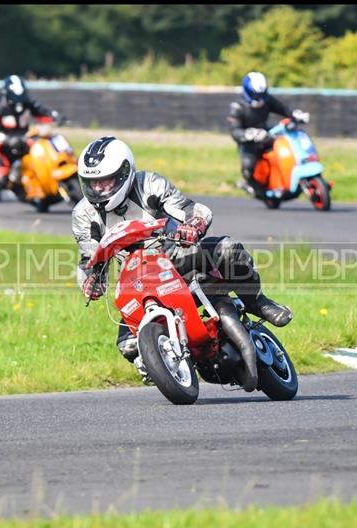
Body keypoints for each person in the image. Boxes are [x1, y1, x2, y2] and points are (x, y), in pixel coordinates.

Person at [71, 136, 293, 389]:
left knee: (229, 250)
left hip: (176, 255)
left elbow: (191, 209)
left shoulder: (149, 184)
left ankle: (258, 302)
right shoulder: (83, 213)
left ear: (124, 173)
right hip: (134, 275)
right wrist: (90, 282)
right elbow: (89, 258)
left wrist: (193, 225)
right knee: (128, 346)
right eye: (92, 183)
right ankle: (165, 361)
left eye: (105, 181)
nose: (98, 190)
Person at [227, 71, 310, 199]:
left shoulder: (267, 99)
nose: (259, 98)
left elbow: (283, 109)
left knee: (288, 143)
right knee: (248, 166)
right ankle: (252, 187)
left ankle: (291, 177)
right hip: (248, 142)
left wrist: (296, 115)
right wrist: (249, 134)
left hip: (266, 134)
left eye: (261, 94)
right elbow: (235, 131)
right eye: (255, 94)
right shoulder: (237, 107)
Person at [0, 74, 65, 198]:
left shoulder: (27, 102)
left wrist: (56, 117)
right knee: (0, 180)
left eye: (21, 96)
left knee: (44, 148)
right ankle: (6, 183)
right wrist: (8, 139)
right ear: (7, 93)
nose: (19, 100)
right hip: (3, 147)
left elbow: (43, 111)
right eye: (15, 96)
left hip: (25, 139)